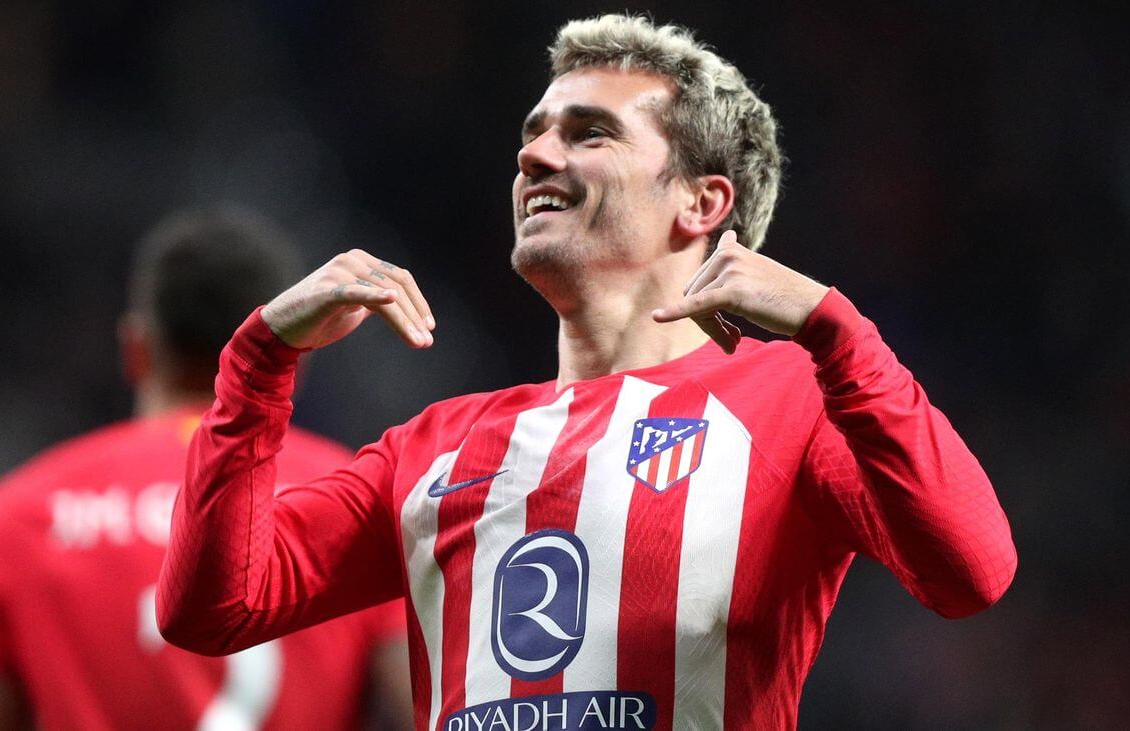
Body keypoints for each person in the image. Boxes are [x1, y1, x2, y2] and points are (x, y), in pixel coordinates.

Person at [158, 15, 1018, 730]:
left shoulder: (791, 400)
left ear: (701, 202)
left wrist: (836, 330)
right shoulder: (433, 446)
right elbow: (212, 609)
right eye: (534, 133)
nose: (534, 156)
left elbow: (970, 570)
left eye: (588, 133)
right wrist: (259, 363)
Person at [0, 208, 412, 730]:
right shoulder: (358, 499)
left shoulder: (12, 519)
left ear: (136, 349)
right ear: (305, 350)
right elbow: (430, 701)